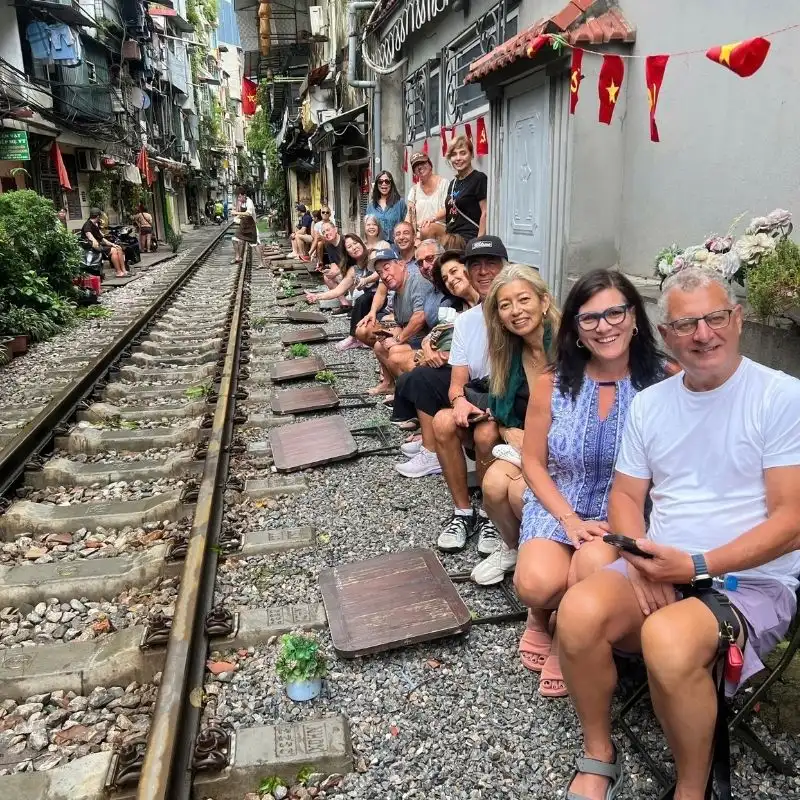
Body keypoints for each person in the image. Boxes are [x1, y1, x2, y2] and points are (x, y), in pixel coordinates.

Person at [556, 266, 800, 800]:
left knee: (665, 639)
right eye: (686, 324)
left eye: (715, 318)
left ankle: (693, 790)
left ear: (738, 320)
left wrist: (695, 567)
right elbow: (624, 496)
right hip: (662, 563)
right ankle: (599, 753)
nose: (703, 334)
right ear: (665, 336)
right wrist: (641, 558)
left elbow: (792, 522)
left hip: (747, 582)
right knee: (576, 612)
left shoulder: (781, 398)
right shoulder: (651, 404)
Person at [514, 269, 673, 699]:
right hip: (559, 504)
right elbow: (532, 459)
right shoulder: (553, 381)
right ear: (576, 330)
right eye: (590, 319)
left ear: (635, 317)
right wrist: (566, 518)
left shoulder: (664, 380)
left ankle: (568, 636)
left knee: (592, 564)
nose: (604, 326)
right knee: (535, 584)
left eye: (615, 312)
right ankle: (539, 615)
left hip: (621, 515)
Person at [471, 265, 561, 587]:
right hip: (526, 446)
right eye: (505, 305)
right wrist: (510, 432)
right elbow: (504, 412)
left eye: (523, 299)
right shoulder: (509, 350)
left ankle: (549, 557)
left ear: (544, 302)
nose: (516, 311)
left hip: (564, 449)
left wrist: (538, 444)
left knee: (520, 492)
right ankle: (514, 548)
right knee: (494, 485)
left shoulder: (568, 346)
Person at [420, 236, 508, 554]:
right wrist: (458, 401)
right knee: (443, 422)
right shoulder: (467, 321)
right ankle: (463, 511)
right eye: (476, 265)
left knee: (485, 434)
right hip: (479, 400)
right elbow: (457, 381)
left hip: (509, 408)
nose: (483, 271)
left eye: (491, 263)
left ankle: (489, 514)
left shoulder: (515, 312)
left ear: (505, 267)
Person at [392, 250, 483, 476]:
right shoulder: (456, 304)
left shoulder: (485, 302)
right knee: (418, 372)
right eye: (446, 278)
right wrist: (427, 347)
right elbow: (435, 334)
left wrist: (444, 356)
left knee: (422, 378)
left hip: (479, 376)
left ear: (467, 269)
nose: (451, 280)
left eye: (454, 272)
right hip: (462, 369)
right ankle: (428, 441)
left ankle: (431, 451)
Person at [359, 248, 433, 396]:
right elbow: (401, 323)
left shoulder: (416, 281)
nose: (384, 275)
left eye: (387, 268)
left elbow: (420, 317)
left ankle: (412, 394)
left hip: (428, 341)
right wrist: (389, 335)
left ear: (401, 264)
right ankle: (392, 385)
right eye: (380, 273)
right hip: (415, 338)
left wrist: (398, 339)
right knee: (380, 345)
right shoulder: (397, 294)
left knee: (394, 351)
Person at [305, 233, 376, 332]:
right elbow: (338, 290)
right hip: (371, 300)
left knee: (361, 298)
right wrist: (317, 296)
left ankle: (355, 336)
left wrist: (366, 280)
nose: (354, 247)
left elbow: (379, 274)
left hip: (385, 296)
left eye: (355, 243)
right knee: (361, 298)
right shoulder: (353, 269)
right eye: (349, 247)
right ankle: (356, 335)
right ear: (347, 252)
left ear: (361, 243)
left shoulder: (372, 255)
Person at [445, 135, 488, 240]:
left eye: (463, 153)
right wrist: (432, 218)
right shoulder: (453, 183)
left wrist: (479, 241)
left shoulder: (479, 178)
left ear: (472, 155)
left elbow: (485, 212)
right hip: (451, 236)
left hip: (468, 238)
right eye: (454, 154)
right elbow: (451, 208)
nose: (458, 158)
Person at [406, 152, 448, 241]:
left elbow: (447, 208)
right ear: (414, 172)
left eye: (422, 163)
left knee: (426, 229)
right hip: (419, 233)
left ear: (430, 165)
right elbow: (410, 215)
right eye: (416, 166)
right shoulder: (414, 190)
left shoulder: (444, 184)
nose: (419, 167)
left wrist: (432, 218)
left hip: (440, 229)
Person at [81, 207, 128, 278]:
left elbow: (102, 239)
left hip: (99, 245)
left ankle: (124, 270)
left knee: (118, 248)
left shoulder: (95, 225)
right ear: (98, 216)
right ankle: (118, 272)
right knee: (114, 251)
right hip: (92, 247)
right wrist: (98, 246)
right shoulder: (88, 225)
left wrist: (112, 244)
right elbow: (90, 237)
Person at [366, 171, 407, 244]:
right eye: (380, 182)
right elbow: (368, 229)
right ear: (377, 185)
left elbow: (406, 225)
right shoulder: (371, 206)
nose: (384, 184)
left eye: (387, 181)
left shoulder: (400, 203)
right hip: (377, 247)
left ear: (391, 184)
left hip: (396, 246)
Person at [231, 187, 257, 264]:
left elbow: (248, 213)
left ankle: (261, 263)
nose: (239, 199)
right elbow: (242, 214)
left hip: (251, 226)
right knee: (234, 239)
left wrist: (237, 213)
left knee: (255, 245)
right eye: (237, 197)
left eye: (239, 197)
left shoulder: (249, 202)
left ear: (244, 195)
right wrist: (237, 217)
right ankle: (238, 257)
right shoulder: (242, 203)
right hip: (244, 225)